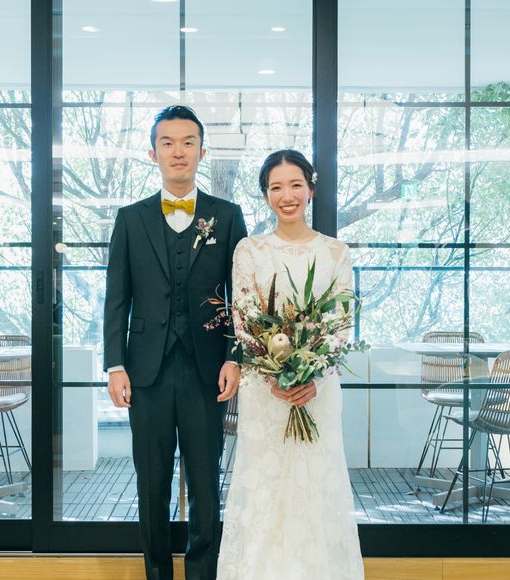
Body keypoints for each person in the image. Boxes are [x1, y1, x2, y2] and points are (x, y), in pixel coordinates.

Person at [103, 104, 247, 580]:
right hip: (145, 371)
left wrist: (235, 357)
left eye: (188, 142)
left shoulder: (227, 216)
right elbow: (116, 298)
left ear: (202, 152)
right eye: (168, 143)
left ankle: (203, 572)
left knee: (206, 480)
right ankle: (157, 573)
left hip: (208, 371)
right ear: (153, 153)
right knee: (151, 482)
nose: (178, 151)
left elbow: (242, 294)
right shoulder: (130, 219)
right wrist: (115, 365)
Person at [217, 150, 364, 579]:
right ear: (265, 195)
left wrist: (313, 376)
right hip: (266, 392)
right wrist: (273, 375)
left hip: (319, 390)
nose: (287, 196)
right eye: (276, 187)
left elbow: (341, 326)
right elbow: (244, 320)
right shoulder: (250, 250)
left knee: (316, 486)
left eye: (296, 185)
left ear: (311, 189)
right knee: (265, 487)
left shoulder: (335, 252)